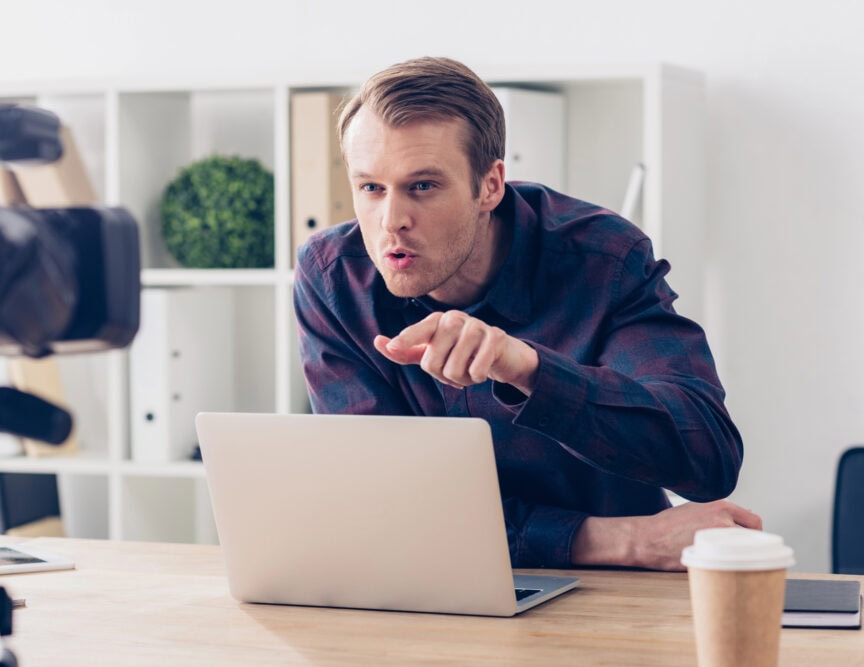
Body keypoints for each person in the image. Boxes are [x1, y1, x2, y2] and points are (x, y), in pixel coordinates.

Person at [293, 56, 759, 571]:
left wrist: (528, 370)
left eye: (422, 186)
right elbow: (386, 507)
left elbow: (708, 456)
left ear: (490, 185)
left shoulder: (602, 258)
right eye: (371, 188)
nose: (392, 221)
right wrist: (619, 540)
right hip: (434, 584)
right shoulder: (333, 277)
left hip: (613, 602)